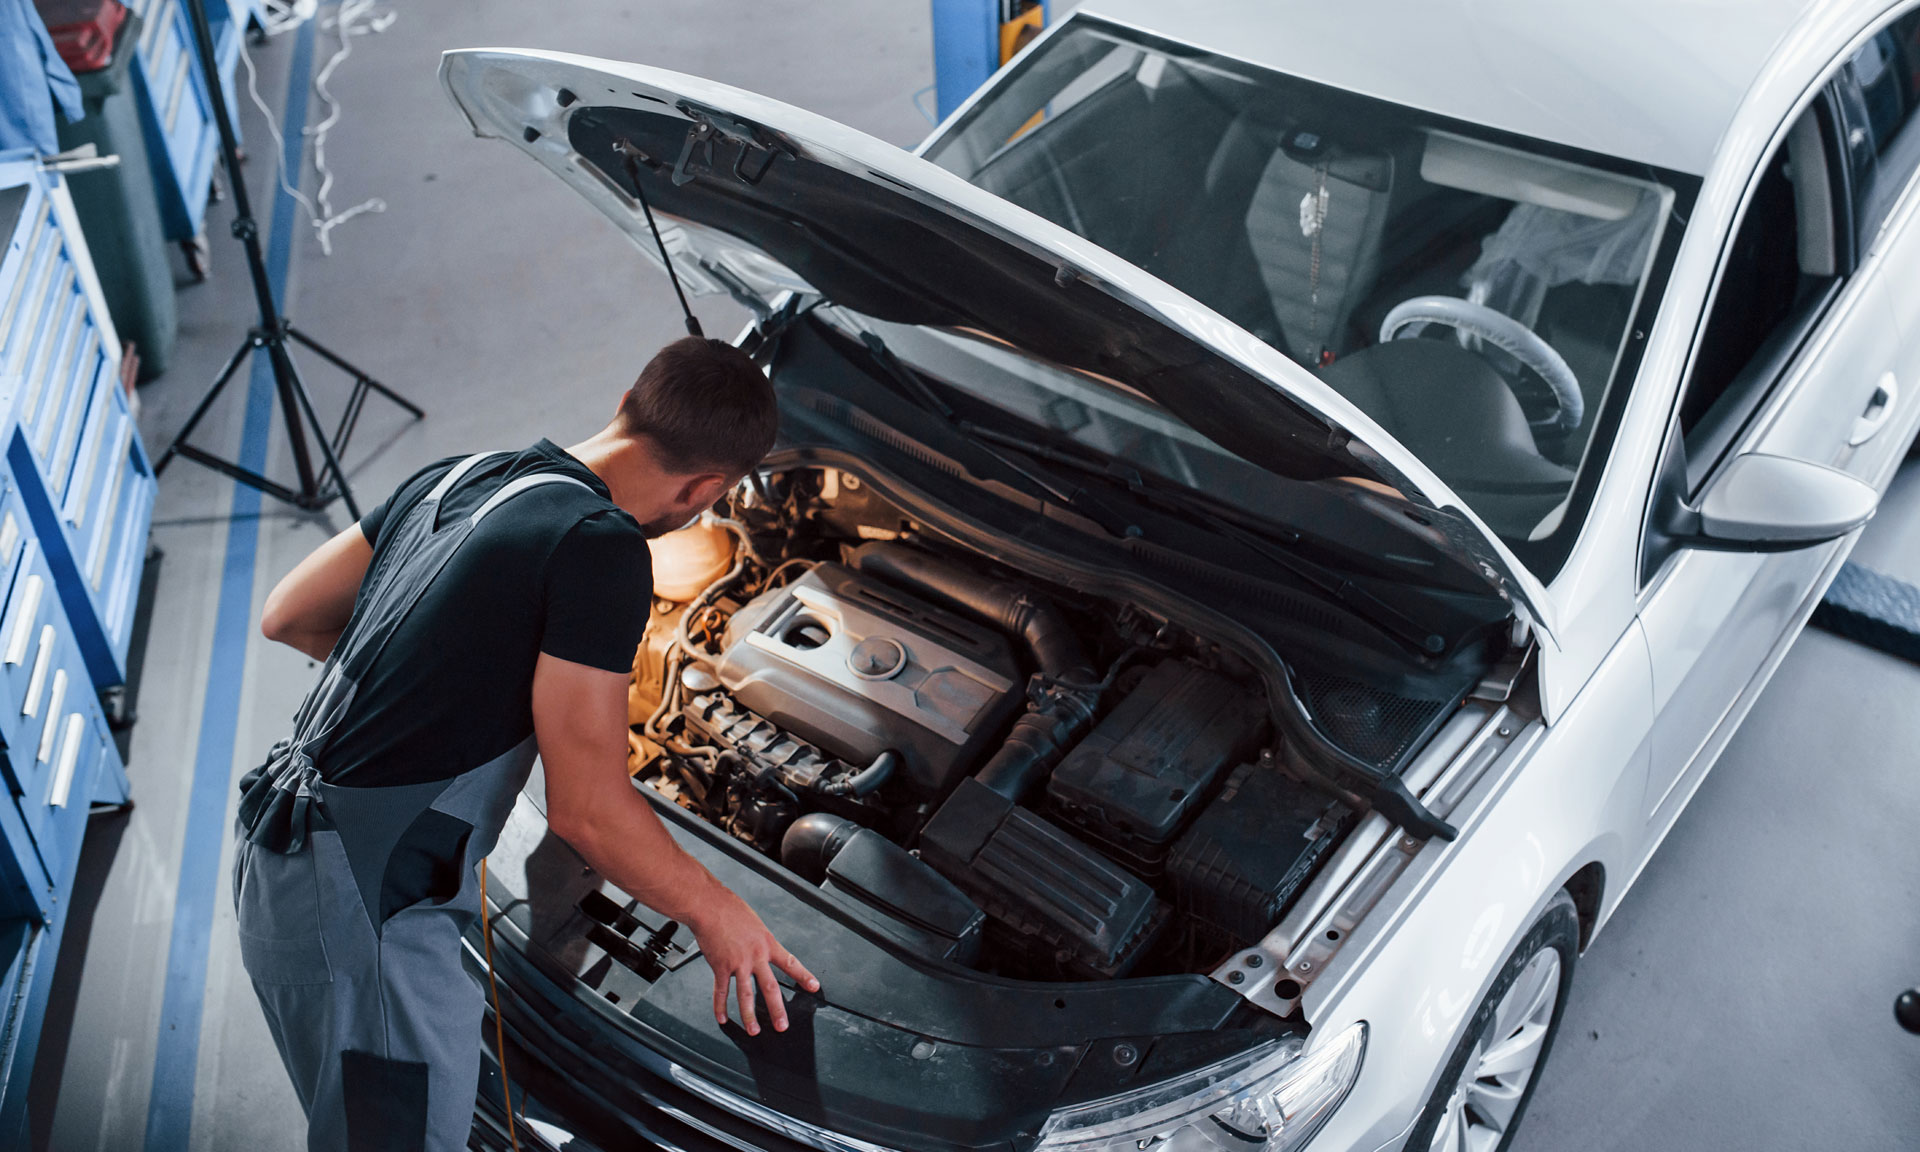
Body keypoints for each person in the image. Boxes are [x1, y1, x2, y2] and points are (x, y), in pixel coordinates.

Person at [234, 336, 817, 1151]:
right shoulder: (599, 548)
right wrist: (721, 915)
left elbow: (288, 613)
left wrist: (446, 680)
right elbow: (589, 812)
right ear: (707, 489)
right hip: (366, 912)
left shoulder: (460, 472)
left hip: (286, 855)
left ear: (627, 401)